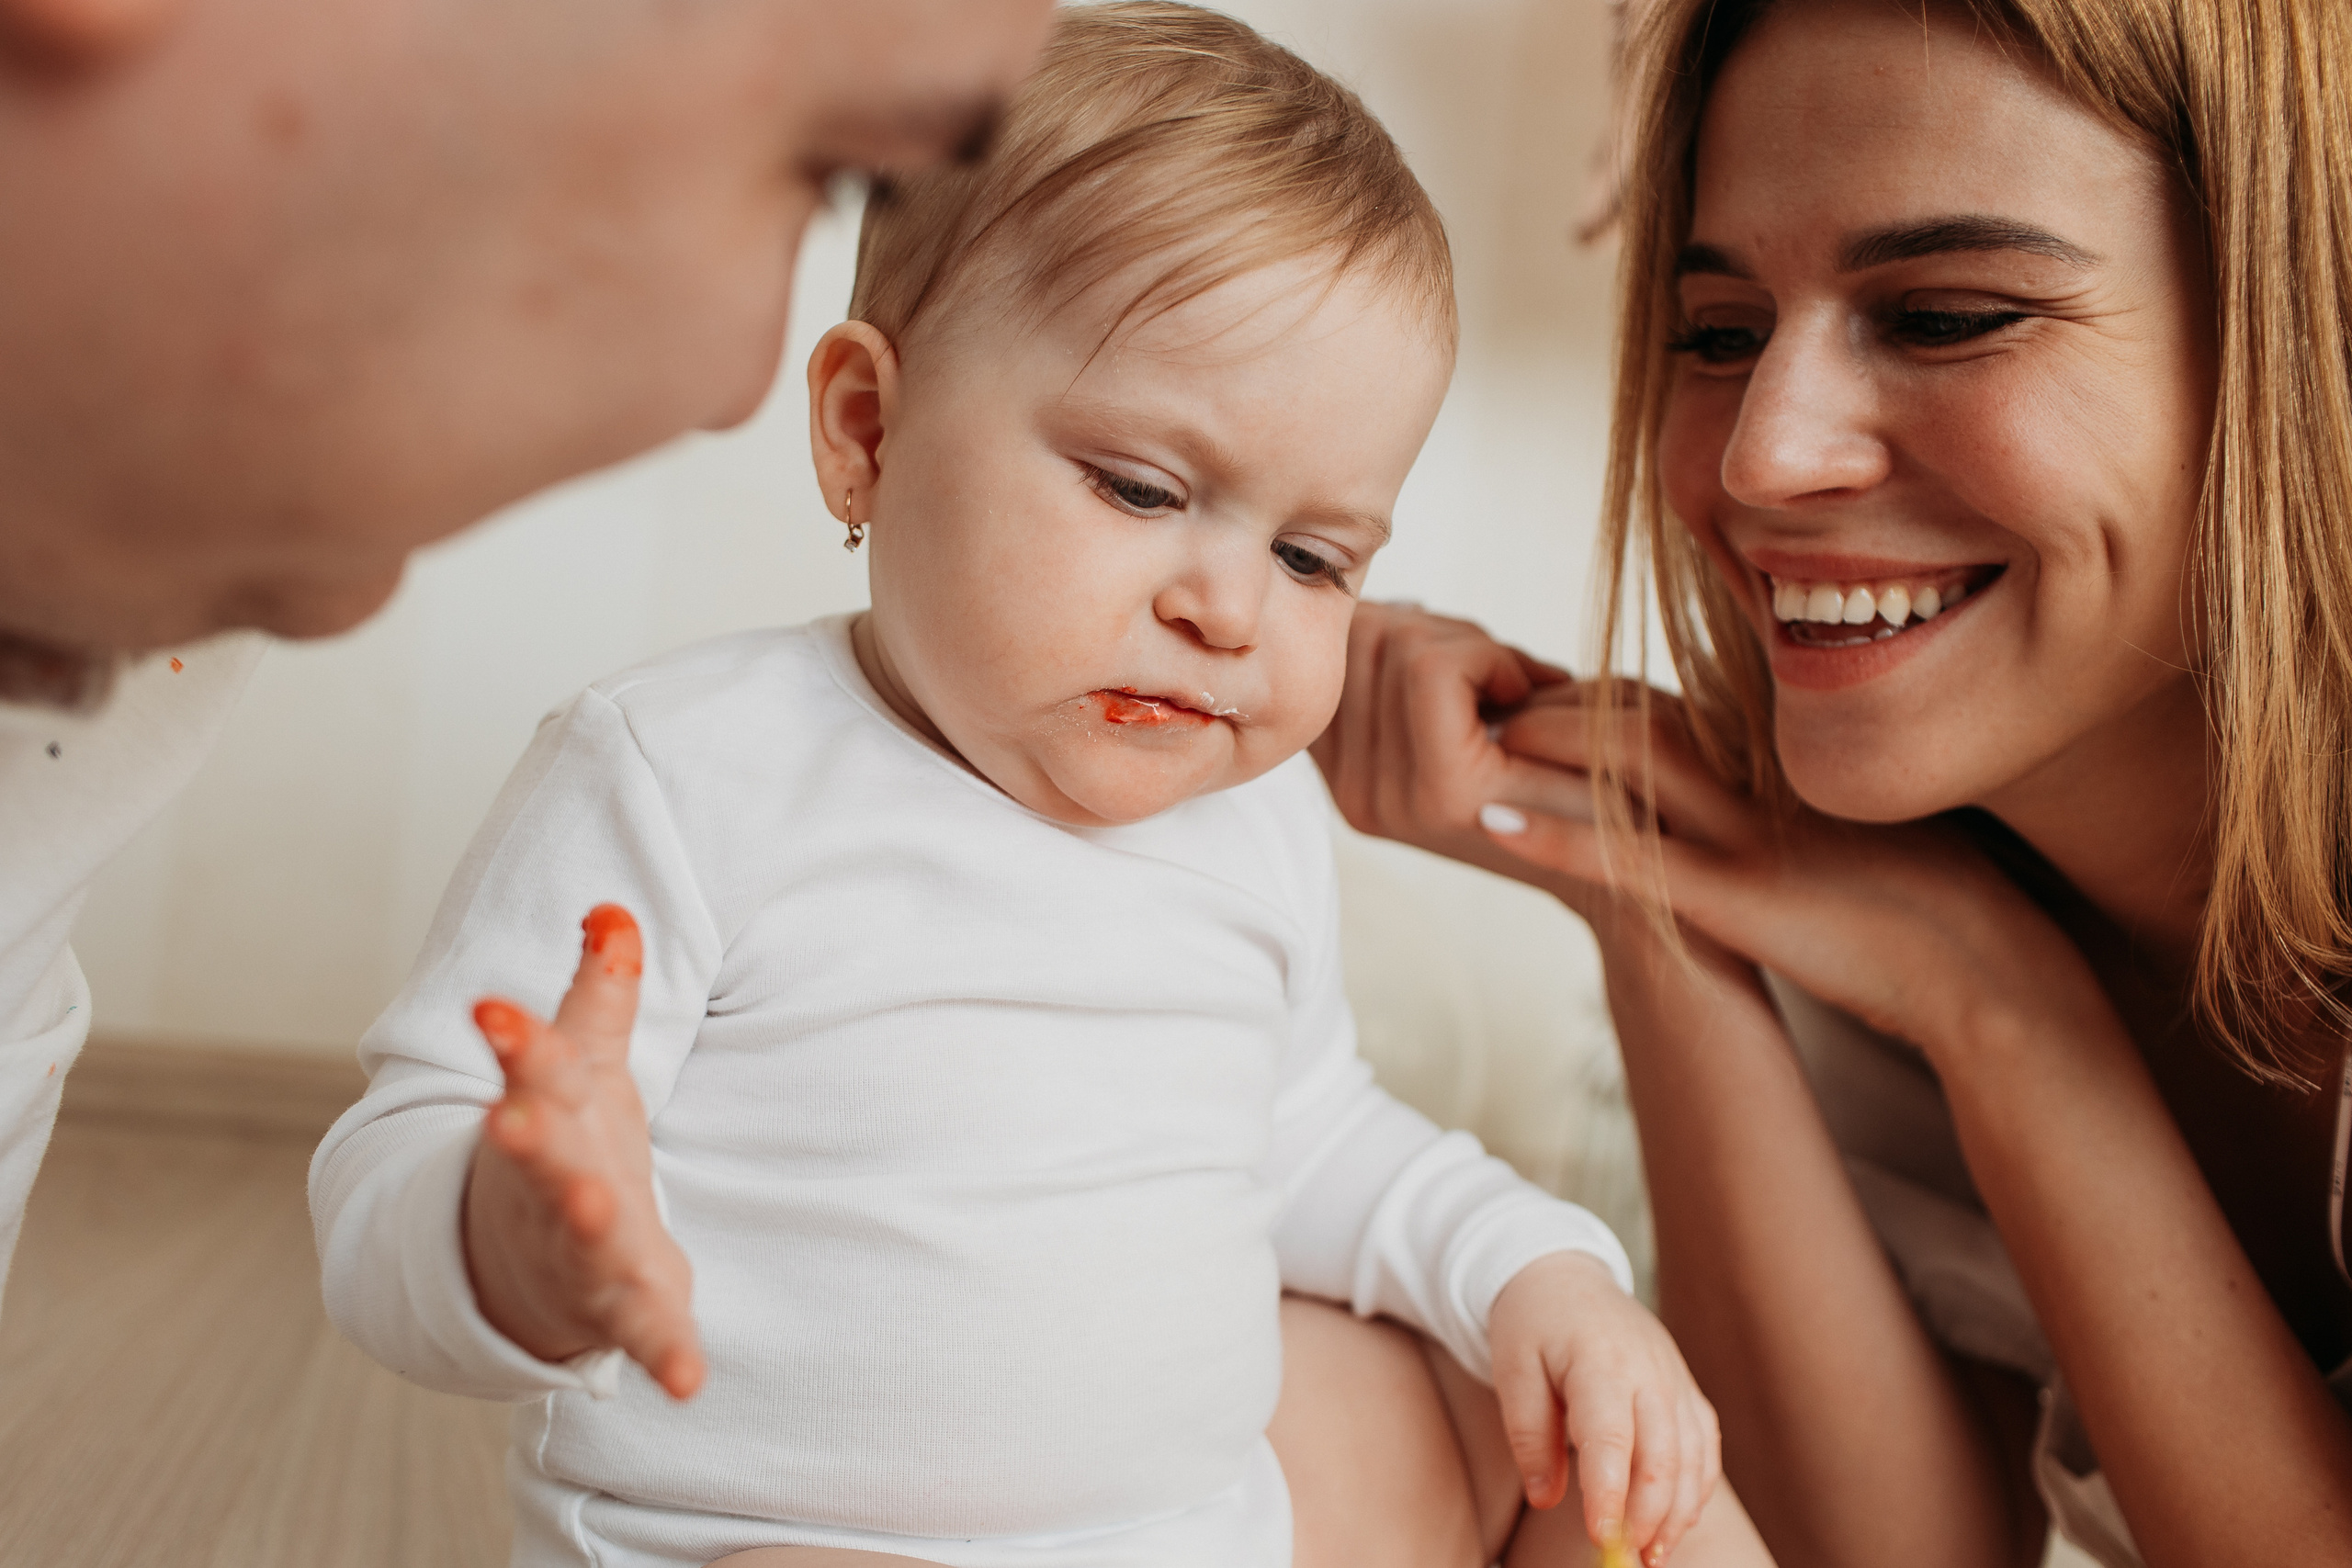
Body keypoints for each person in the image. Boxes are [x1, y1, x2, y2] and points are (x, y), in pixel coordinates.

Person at [309, 10, 1764, 1565]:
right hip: (782, 1541)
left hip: (1195, 1531)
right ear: (868, 430)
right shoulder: (686, 775)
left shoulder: (1249, 820)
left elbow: (1312, 1137)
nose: (1231, 608)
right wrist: (504, 1241)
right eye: (1142, 489)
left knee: (1591, 1459)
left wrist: (1546, 1273)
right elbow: (397, 1165)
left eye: (1312, 557)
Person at [1314, 0, 2352, 1563]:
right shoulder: (1908, 861)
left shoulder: (1941, 919)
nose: (1760, 460)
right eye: (1720, 335)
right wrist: (1647, 885)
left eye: (1945, 317)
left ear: (2300, 333)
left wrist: (2005, 1012)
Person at [0, 0, 1052, 1309]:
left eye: (1313, 554)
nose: (733, 384)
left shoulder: (102, 672)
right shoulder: (677, 769)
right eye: (842, 172)